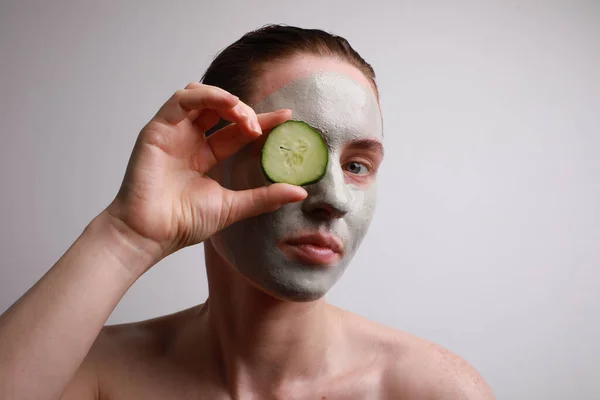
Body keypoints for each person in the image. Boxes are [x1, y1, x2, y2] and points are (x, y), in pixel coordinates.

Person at [0, 25, 494, 399]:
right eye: (295, 151)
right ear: (209, 161)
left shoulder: (428, 390)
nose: (336, 199)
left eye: (358, 165)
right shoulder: (89, 375)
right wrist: (125, 236)